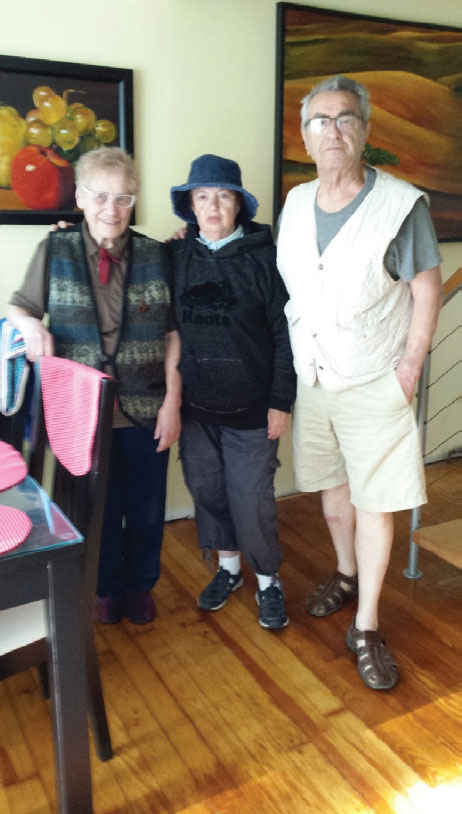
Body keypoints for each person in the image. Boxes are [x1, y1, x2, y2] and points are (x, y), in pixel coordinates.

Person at [277, 76, 444, 688]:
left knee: (375, 502)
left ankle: (367, 624)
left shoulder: (400, 205)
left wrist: (410, 368)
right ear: (305, 136)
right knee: (332, 489)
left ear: (365, 131)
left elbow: (427, 287)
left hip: (376, 377)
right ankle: (345, 573)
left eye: (345, 119)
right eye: (320, 121)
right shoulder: (296, 202)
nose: (333, 131)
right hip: (315, 376)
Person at [7, 147, 181, 625]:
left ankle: (140, 586)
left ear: (134, 200)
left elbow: (173, 334)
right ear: (80, 197)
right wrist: (29, 325)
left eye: (123, 198)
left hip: (146, 406)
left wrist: (173, 404)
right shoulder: (54, 250)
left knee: (146, 508)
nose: (111, 208)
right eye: (100, 196)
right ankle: (104, 587)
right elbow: (19, 306)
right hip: (79, 413)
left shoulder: (156, 255)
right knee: (94, 508)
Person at [169, 154, 296, 629]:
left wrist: (281, 401)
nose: (213, 206)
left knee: (251, 499)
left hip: (252, 408)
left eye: (224, 196)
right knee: (207, 489)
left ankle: (267, 581)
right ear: (191, 206)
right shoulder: (174, 256)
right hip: (196, 407)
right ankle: (228, 570)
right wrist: (69, 232)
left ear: (239, 205)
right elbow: (124, 255)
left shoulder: (267, 259)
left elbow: (285, 334)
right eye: (203, 196)